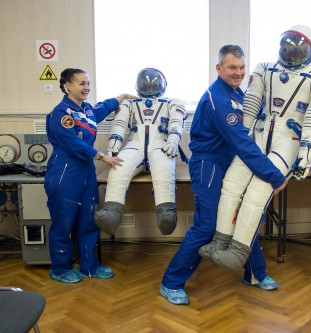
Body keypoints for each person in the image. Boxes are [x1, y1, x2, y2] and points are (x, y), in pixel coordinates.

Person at [200, 25, 311, 271]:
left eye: (298, 48)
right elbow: (251, 104)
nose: (291, 53)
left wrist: (306, 155)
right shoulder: (265, 69)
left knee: (257, 192)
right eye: (287, 46)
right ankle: (220, 239)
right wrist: (243, 134)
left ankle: (238, 251)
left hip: (289, 141)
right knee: (231, 183)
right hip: (260, 134)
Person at [160, 45, 288, 305]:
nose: (238, 72)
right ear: (219, 68)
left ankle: (254, 273)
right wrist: (274, 176)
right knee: (207, 226)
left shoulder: (236, 93)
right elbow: (241, 141)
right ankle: (171, 282)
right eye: (232, 67)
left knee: (242, 216)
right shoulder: (217, 97)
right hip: (209, 165)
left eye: (241, 67)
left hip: (230, 162)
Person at [44, 68, 137, 283]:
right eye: (81, 83)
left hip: (85, 171)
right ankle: (59, 268)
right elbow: (72, 143)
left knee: (88, 220)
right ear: (68, 85)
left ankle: (89, 266)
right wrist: (102, 157)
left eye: (88, 83)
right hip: (65, 172)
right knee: (63, 223)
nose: (86, 87)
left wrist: (122, 97)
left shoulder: (86, 109)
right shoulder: (61, 114)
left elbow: (102, 108)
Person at [95, 68, 186, 236]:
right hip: (134, 144)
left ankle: (166, 215)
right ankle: (111, 214)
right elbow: (120, 124)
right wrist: (114, 145)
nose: (149, 87)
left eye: (154, 84)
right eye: (145, 84)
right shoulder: (129, 104)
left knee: (164, 170)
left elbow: (176, 121)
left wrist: (173, 140)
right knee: (118, 167)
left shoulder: (172, 102)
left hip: (161, 144)